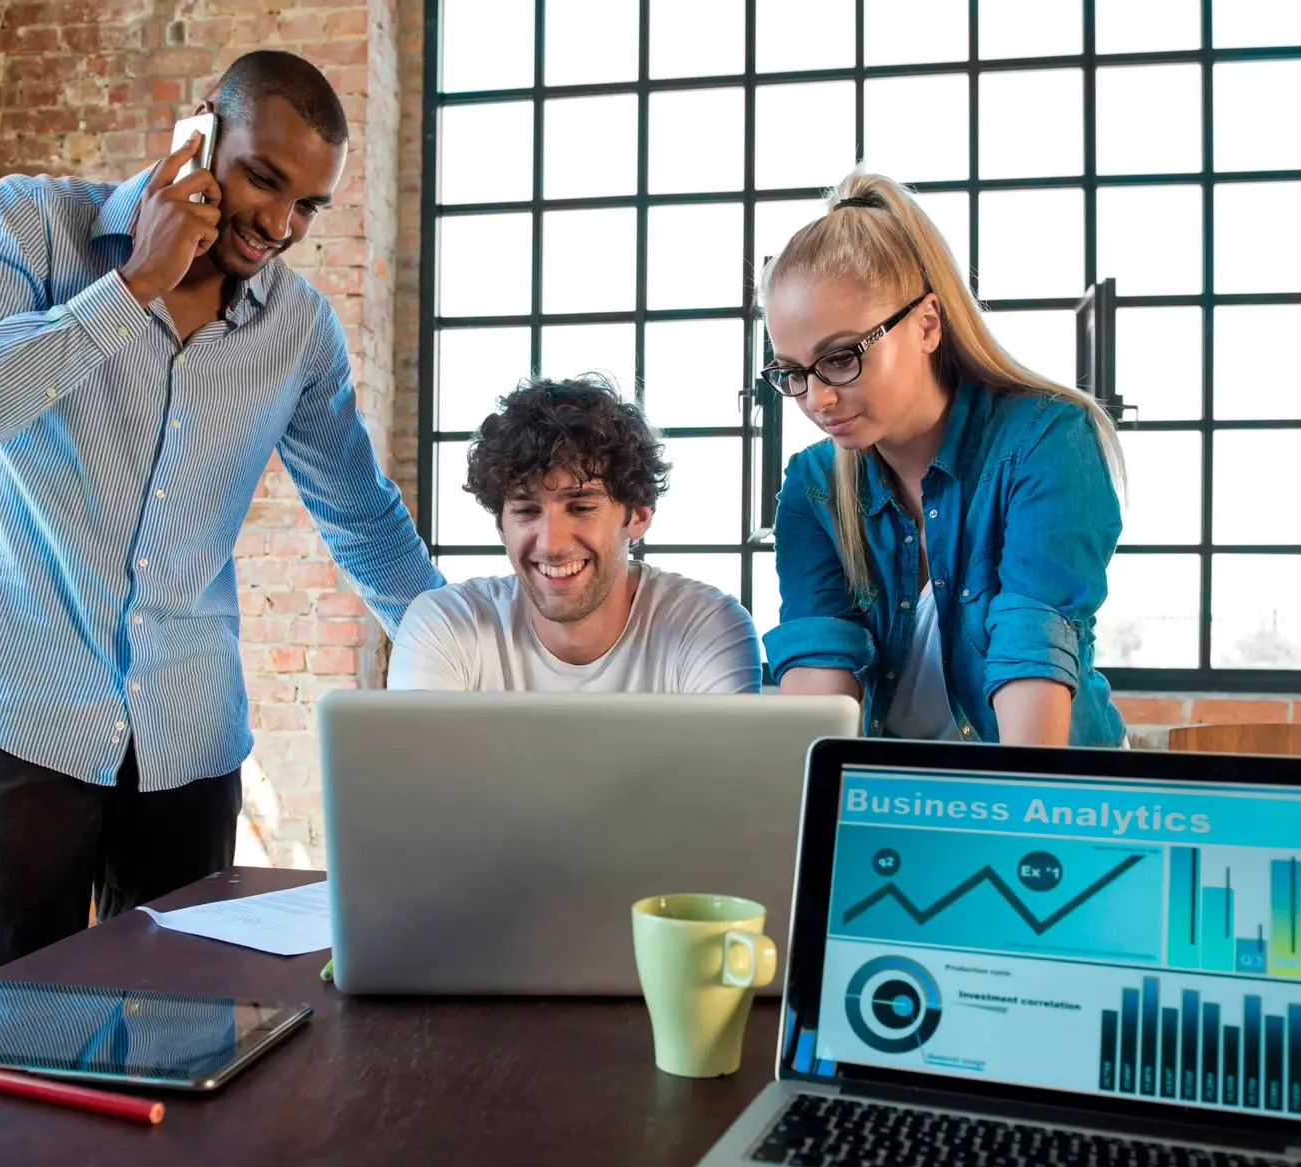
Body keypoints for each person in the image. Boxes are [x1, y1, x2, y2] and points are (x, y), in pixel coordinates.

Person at [0, 51, 442, 985]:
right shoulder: (28, 226)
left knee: (184, 1048)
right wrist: (131, 288)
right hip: (15, 729)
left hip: (187, 748)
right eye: (263, 179)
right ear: (202, 129)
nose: (279, 224)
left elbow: (361, 514)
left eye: (308, 206)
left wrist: (471, 667)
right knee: (5, 1062)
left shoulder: (299, 331)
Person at [760, 171, 1125, 747]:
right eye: (793, 372)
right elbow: (819, 697)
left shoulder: (1047, 439)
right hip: (902, 799)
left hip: (1054, 793)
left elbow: (1032, 663)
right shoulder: (813, 487)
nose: (817, 399)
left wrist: (1006, 832)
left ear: (927, 324)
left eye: (839, 358)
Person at [387, 376, 761, 694]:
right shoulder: (444, 626)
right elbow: (418, 779)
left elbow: (728, 780)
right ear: (501, 525)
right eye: (526, 510)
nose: (551, 545)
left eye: (581, 508)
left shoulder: (706, 627)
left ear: (639, 515)